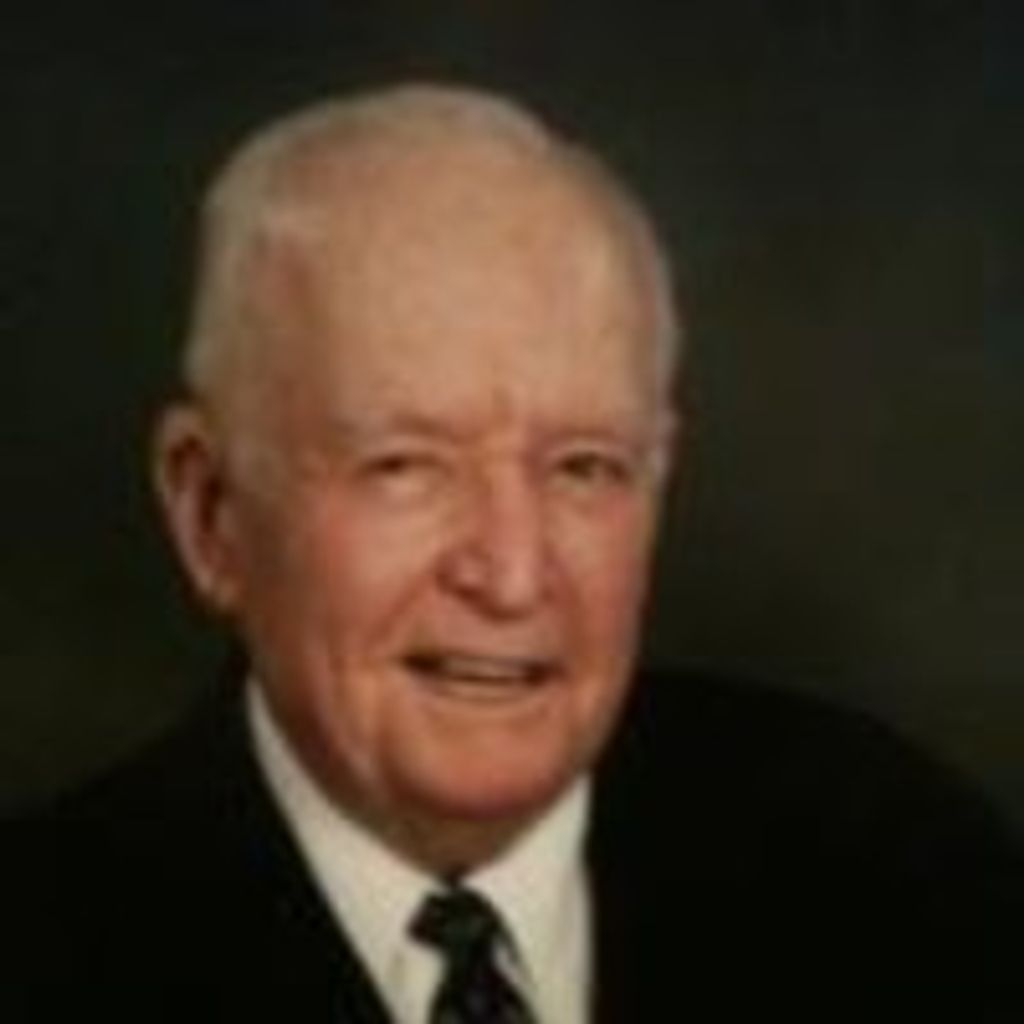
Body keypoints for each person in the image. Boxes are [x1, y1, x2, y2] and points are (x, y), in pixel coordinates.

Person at [4, 83, 1020, 1022]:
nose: (513, 574)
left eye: (584, 467)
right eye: (405, 465)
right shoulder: (43, 955)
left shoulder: (899, 866)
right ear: (212, 513)